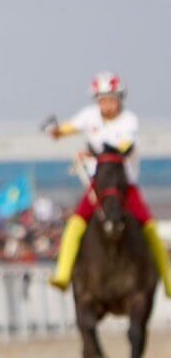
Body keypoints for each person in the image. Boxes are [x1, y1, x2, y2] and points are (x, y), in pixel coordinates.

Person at [47, 71, 171, 296]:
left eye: (112, 99)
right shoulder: (90, 116)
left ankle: (168, 278)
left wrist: (93, 153)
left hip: (124, 186)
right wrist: (57, 132)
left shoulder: (129, 120)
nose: (107, 104)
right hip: (98, 187)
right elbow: (70, 127)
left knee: (149, 226)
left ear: (120, 99)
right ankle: (63, 274)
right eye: (103, 99)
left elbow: (124, 146)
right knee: (75, 224)